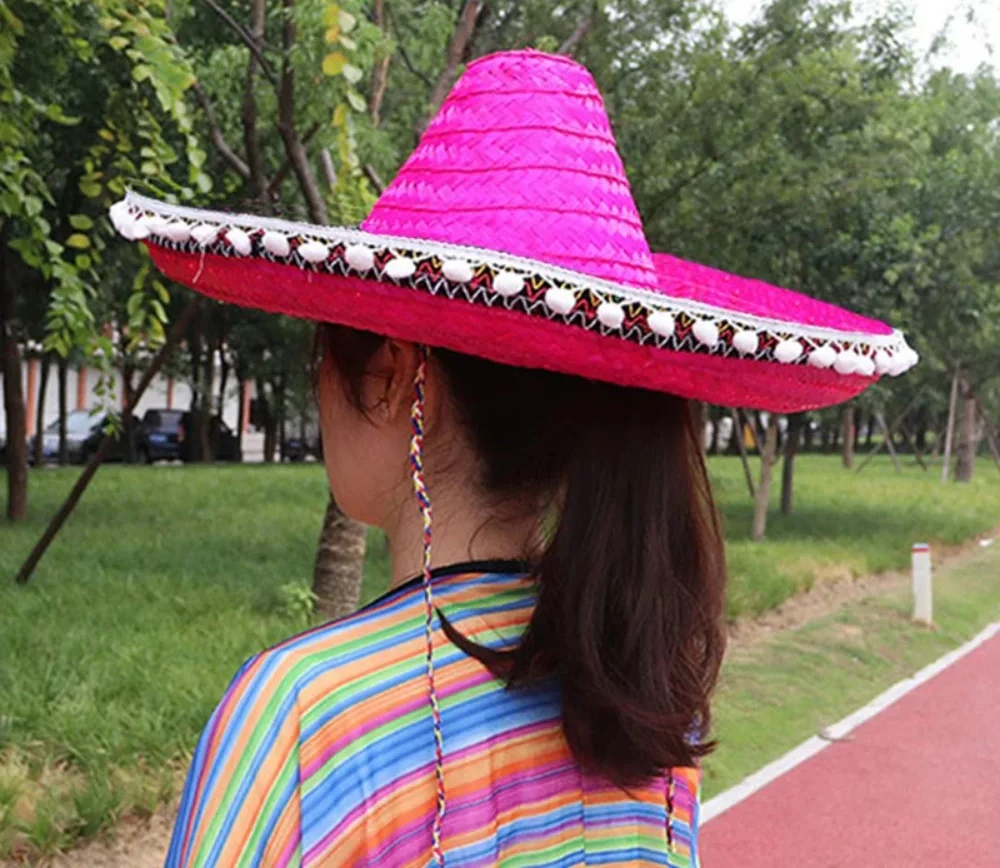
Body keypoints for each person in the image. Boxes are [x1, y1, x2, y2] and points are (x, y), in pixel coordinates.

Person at [111, 50, 916, 867]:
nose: (316, 384)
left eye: (321, 352)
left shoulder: (298, 720)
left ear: (390, 378)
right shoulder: (647, 699)